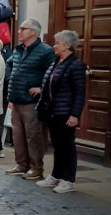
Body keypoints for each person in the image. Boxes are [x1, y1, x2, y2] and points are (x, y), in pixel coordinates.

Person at [4, 19, 56, 180]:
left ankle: (36, 167)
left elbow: (54, 72)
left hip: (32, 101)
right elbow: (9, 65)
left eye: (23, 29)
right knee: (18, 135)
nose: (19, 31)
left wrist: (42, 88)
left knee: (33, 135)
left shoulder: (45, 51)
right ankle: (22, 164)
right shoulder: (18, 50)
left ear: (33, 32)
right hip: (17, 98)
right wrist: (10, 91)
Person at [37, 30, 87, 193]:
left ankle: (68, 179)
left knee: (67, 146)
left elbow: (80, 92)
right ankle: (56, 175)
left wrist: (75, 115)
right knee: (57, 145)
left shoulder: (76, 65)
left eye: (57, 43)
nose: (54, 45)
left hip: (66, 112)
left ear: (67, 45)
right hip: (54, 111)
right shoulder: (56, 62)